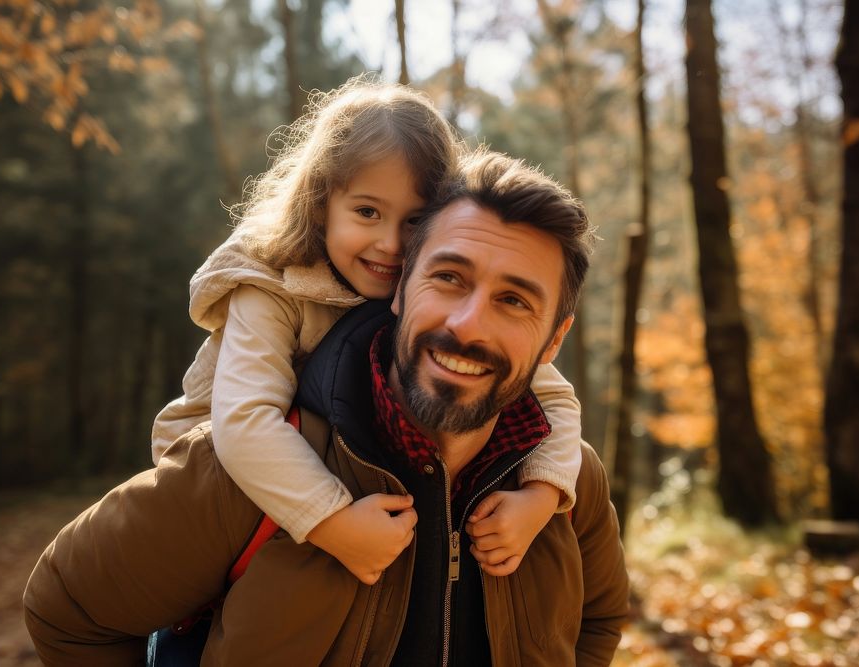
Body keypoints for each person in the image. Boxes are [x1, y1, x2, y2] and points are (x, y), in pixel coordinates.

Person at [23, 149, 629, 666]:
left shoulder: (570, 482)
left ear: (554, 339)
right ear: (400, 287)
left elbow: (597, 621)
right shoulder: (252, 466)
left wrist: (548, 493)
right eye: (448, 277)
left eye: (514, 300)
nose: (467, 324)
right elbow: (68, 611)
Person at [146, 76, 583, 586]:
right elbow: (243, 422)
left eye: (415, 221)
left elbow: (555, 399)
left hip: (302, 488)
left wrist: (541, 496)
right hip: (213, 484)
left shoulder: (430, 296)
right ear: (319, 203)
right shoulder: (270, 287)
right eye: (367, 212)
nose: (390, 244)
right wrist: (332, 521)